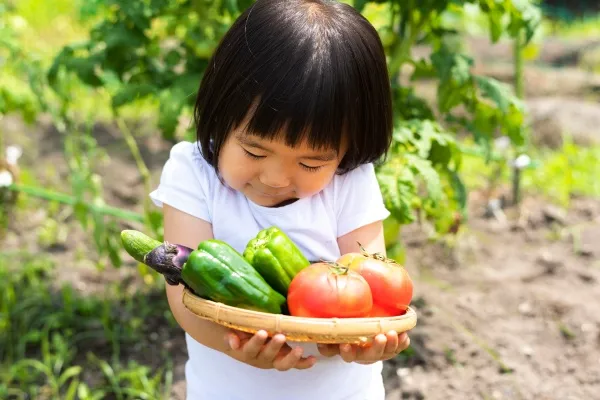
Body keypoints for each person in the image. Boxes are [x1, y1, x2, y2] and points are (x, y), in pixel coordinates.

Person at [149, 0, 412, 398]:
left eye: (310, 163)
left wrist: (368, 340)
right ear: (222, 112)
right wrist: (236, 347)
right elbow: (185, 300)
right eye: (254, 152)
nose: (274, 178)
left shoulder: (350, 181)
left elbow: (372, 290)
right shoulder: (192, 173)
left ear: (347, 149)